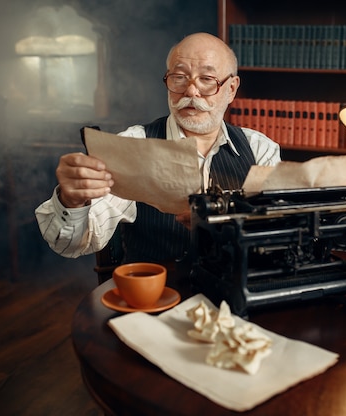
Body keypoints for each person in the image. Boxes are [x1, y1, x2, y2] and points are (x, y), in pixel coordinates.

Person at [35, 32, 281, 264]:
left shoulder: (260, 149)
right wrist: (73, 201)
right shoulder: (134, 145)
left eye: (206, 80)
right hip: (155, 297)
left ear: (231, 89)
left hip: (235, 293)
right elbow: (71, 244)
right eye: (179, 77)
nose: (191, 91)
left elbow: (277, 235)